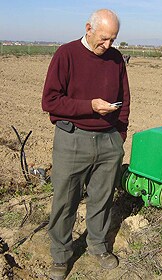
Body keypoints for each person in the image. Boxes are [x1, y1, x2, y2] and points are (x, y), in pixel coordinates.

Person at [42, 8, 130, 280]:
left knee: (102, 200)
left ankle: (98, 246)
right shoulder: (66, 54)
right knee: (65, 201)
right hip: (73, 139)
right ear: (88, 28)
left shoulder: (116, 59)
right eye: (103, 38)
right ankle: (60, 254)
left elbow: (125, 99)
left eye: (113, 40)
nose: (108, 45)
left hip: (108, 141)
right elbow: (50, 101)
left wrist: (120, 134)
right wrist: (89, 106)